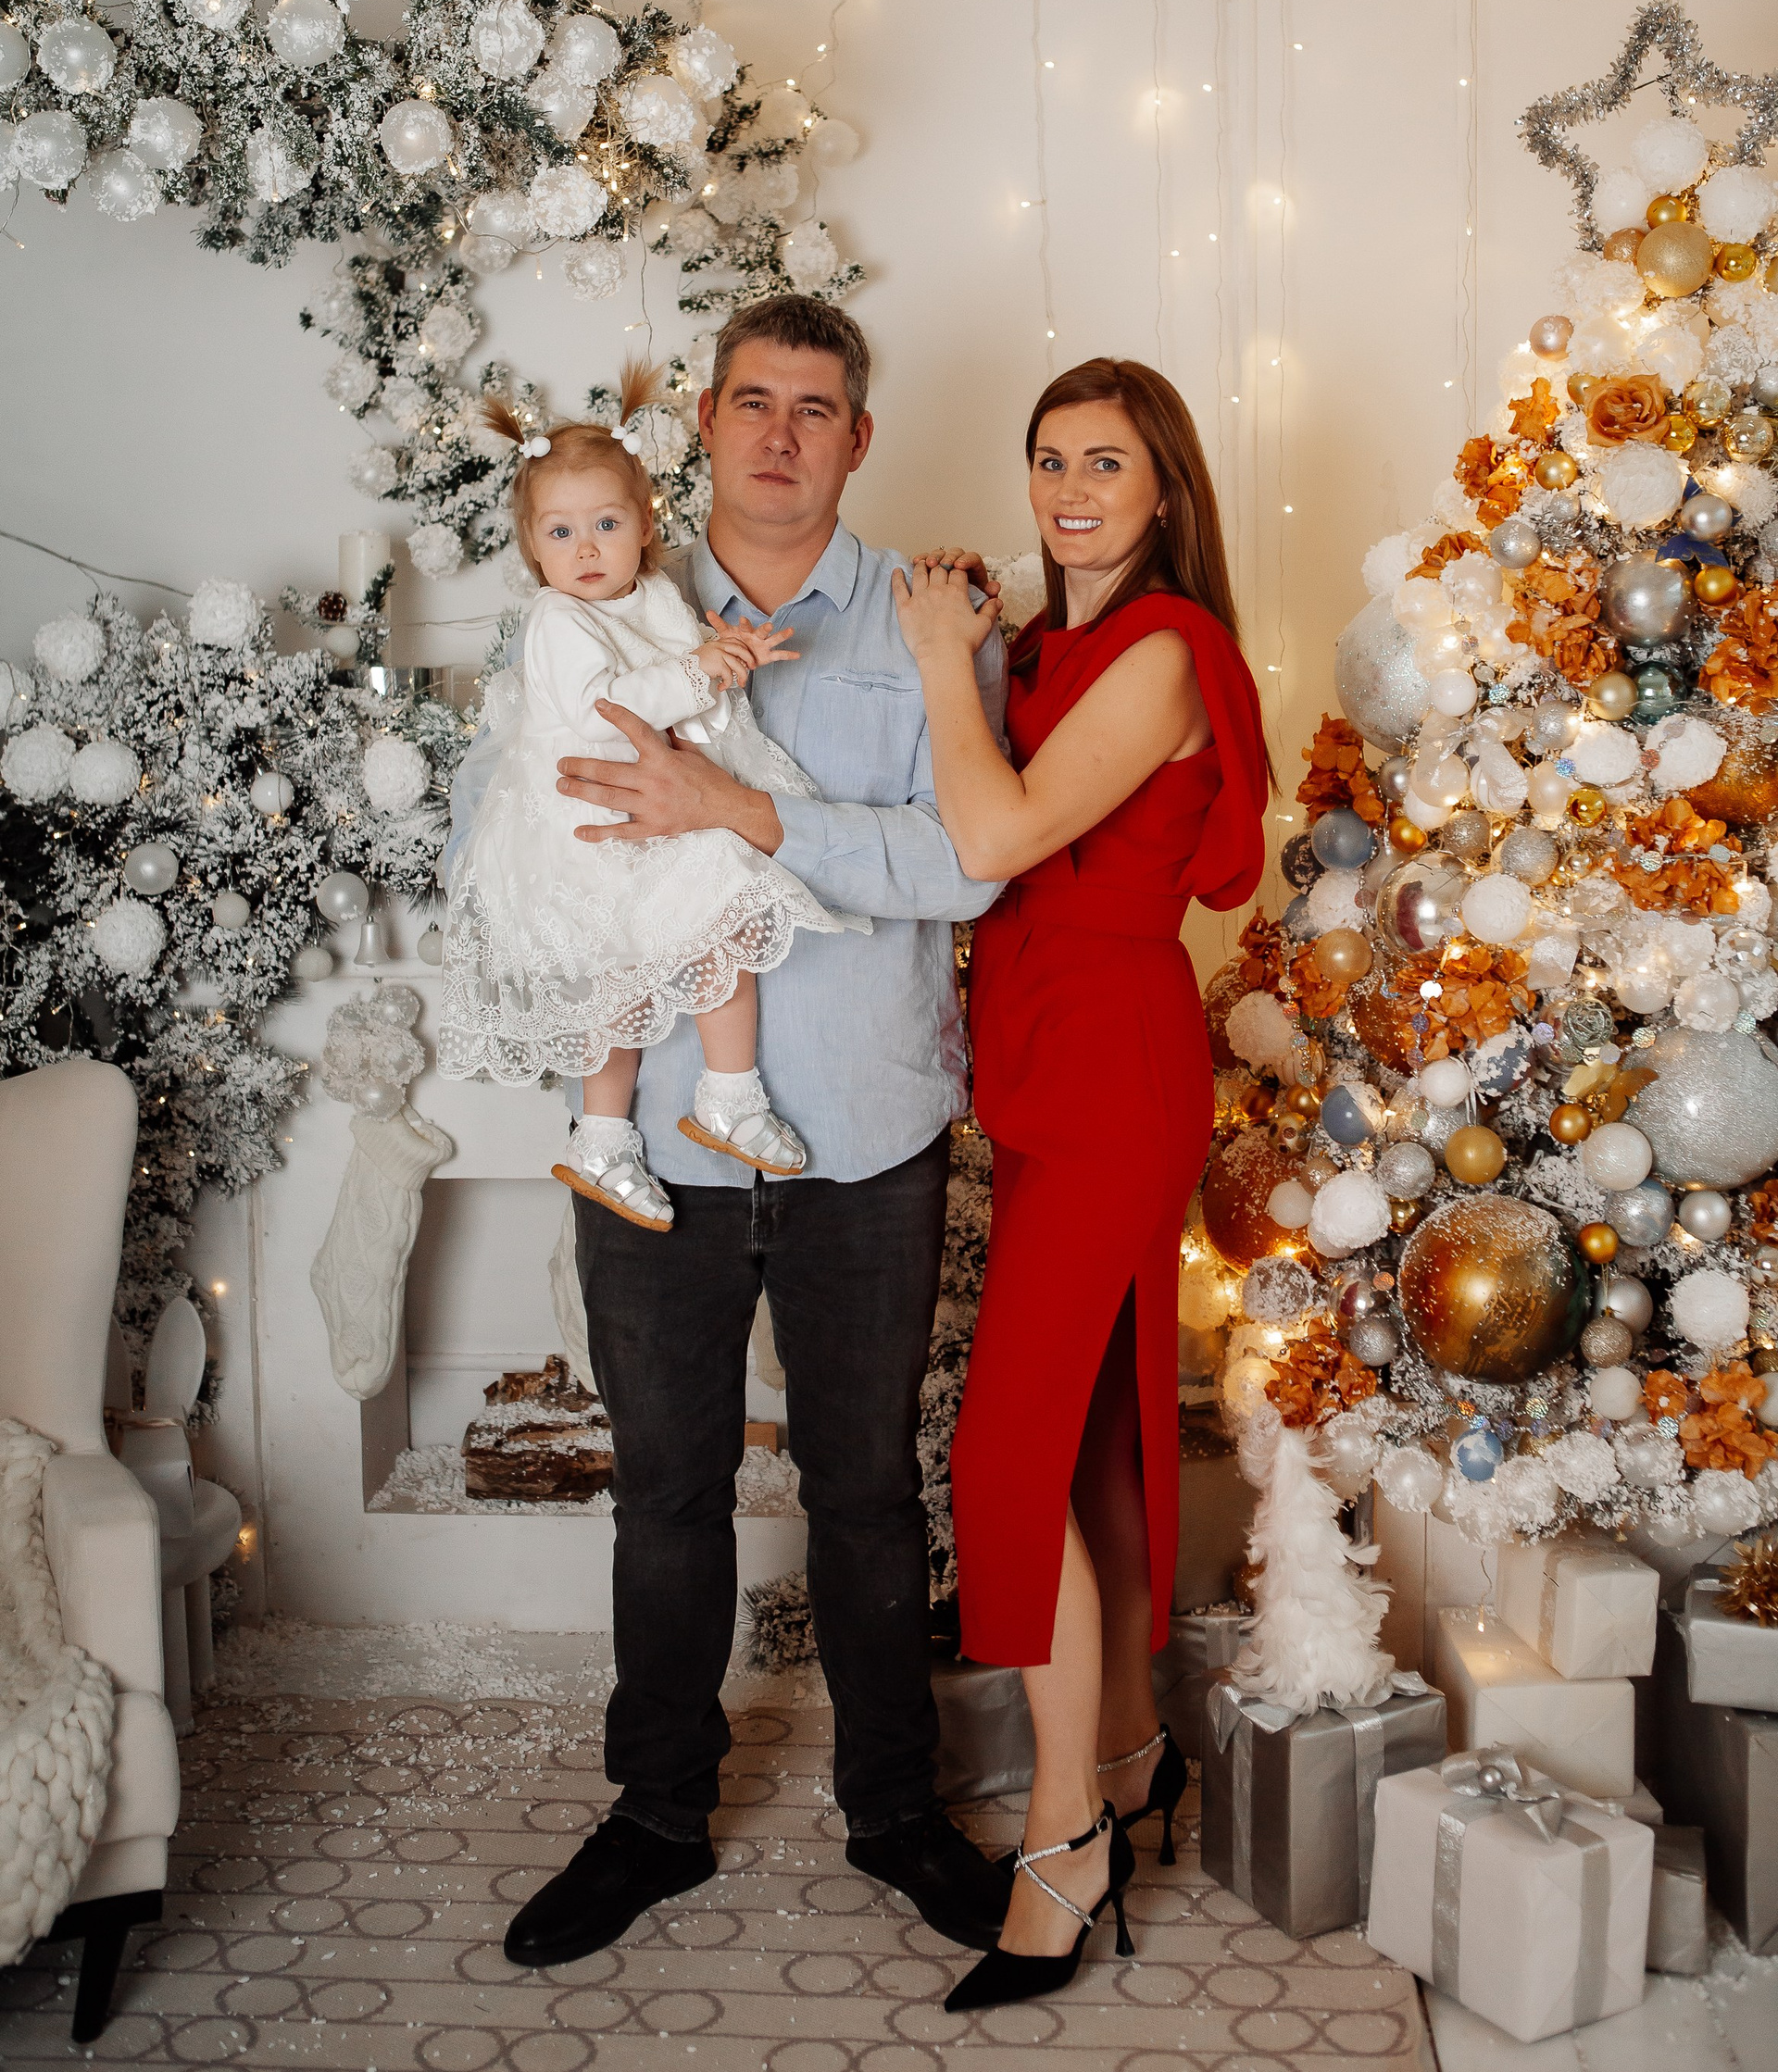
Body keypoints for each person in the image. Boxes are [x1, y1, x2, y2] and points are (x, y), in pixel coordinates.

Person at [445, 294, 1014, 1966]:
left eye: (815, 409)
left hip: (865, 1135)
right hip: (658, 1151)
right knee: (666, 1495)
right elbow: (502, 832)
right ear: (701, 422)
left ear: (858, 438)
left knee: (868, 1494)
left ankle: (895, 1813)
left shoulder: (929, 619)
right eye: (753, 401)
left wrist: (734, 809)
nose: (779, 434)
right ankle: (655, 1816)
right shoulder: (594, 598)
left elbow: (968, 865)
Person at [891, 356, 1270, 2013]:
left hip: (1116, 1064)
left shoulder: (1167, 647)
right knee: (1101, 1431)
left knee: (1010, 1447)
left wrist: (936, 663)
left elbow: (993, 837)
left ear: (1165, 486)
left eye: (1104, 461)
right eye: (1049, 458)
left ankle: (1064, 1841)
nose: (1068, 489)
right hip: (1048, 1054)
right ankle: (1123, 1753)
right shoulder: (1049, 646)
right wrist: (972, 651)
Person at [440, 362, 857, 1228]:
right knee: (616, 986)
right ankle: (604, 1137)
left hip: (660, 812)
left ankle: (726, 1094)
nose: (586, 550)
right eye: (561, 533)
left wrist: (725, 667)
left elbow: (693, 707)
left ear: (645, 526)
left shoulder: (659, 597)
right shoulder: (557, 620)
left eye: (606, 524)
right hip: (583, 824)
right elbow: (606, 711)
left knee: (721, 929)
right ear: (534, 549)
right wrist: (698, 671)